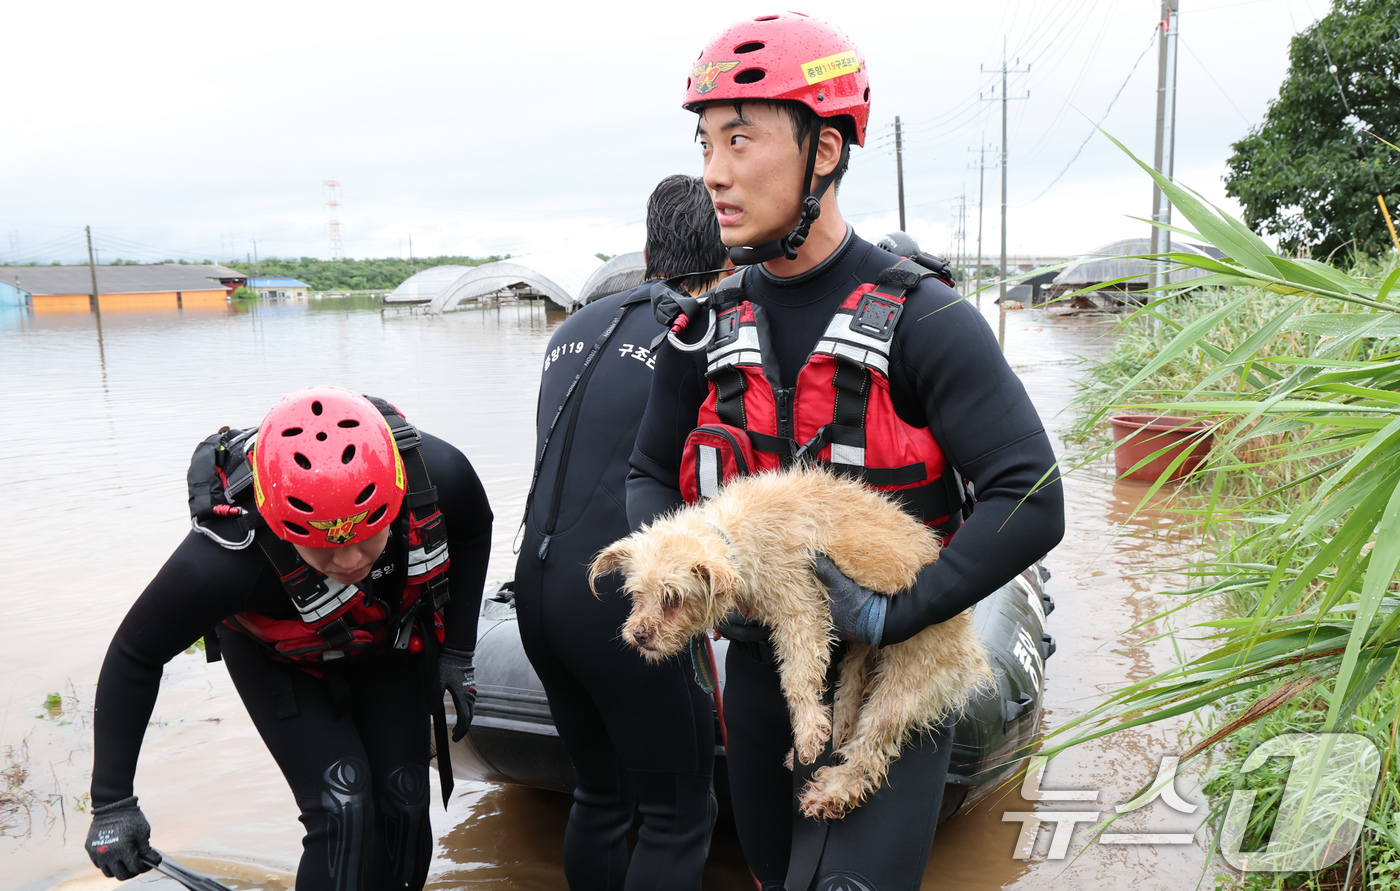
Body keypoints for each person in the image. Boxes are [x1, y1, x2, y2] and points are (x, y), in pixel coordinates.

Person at [627, 14, 1065, 891]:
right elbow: (645, 476)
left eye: (741, 139)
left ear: (823, 151)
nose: (714, 171)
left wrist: (888, 614)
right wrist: (693, 576)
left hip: (896, 668)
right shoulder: (705, 326)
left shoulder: (928, 320)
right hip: (758, 678)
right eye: (707, 141)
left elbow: (1033, 494)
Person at [85, 387, 492, 890]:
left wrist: (458, 653)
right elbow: (135, 654)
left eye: (366, 535)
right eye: (322, 545)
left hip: (386, 642)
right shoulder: (223, 561)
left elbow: (474, 531)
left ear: (396, 500)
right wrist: (112, 803)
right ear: (279, 522)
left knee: (406, 799)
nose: (347, 561)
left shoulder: (439, 471)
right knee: (343, 805)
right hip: (279, 659)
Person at [512, 174, 730, 891]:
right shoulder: (706, 335)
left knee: (601, 795)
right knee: (678, 813)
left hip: (541, 594)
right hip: (629, 598)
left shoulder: (573, 329)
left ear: (646, 248)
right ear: (732, 252)